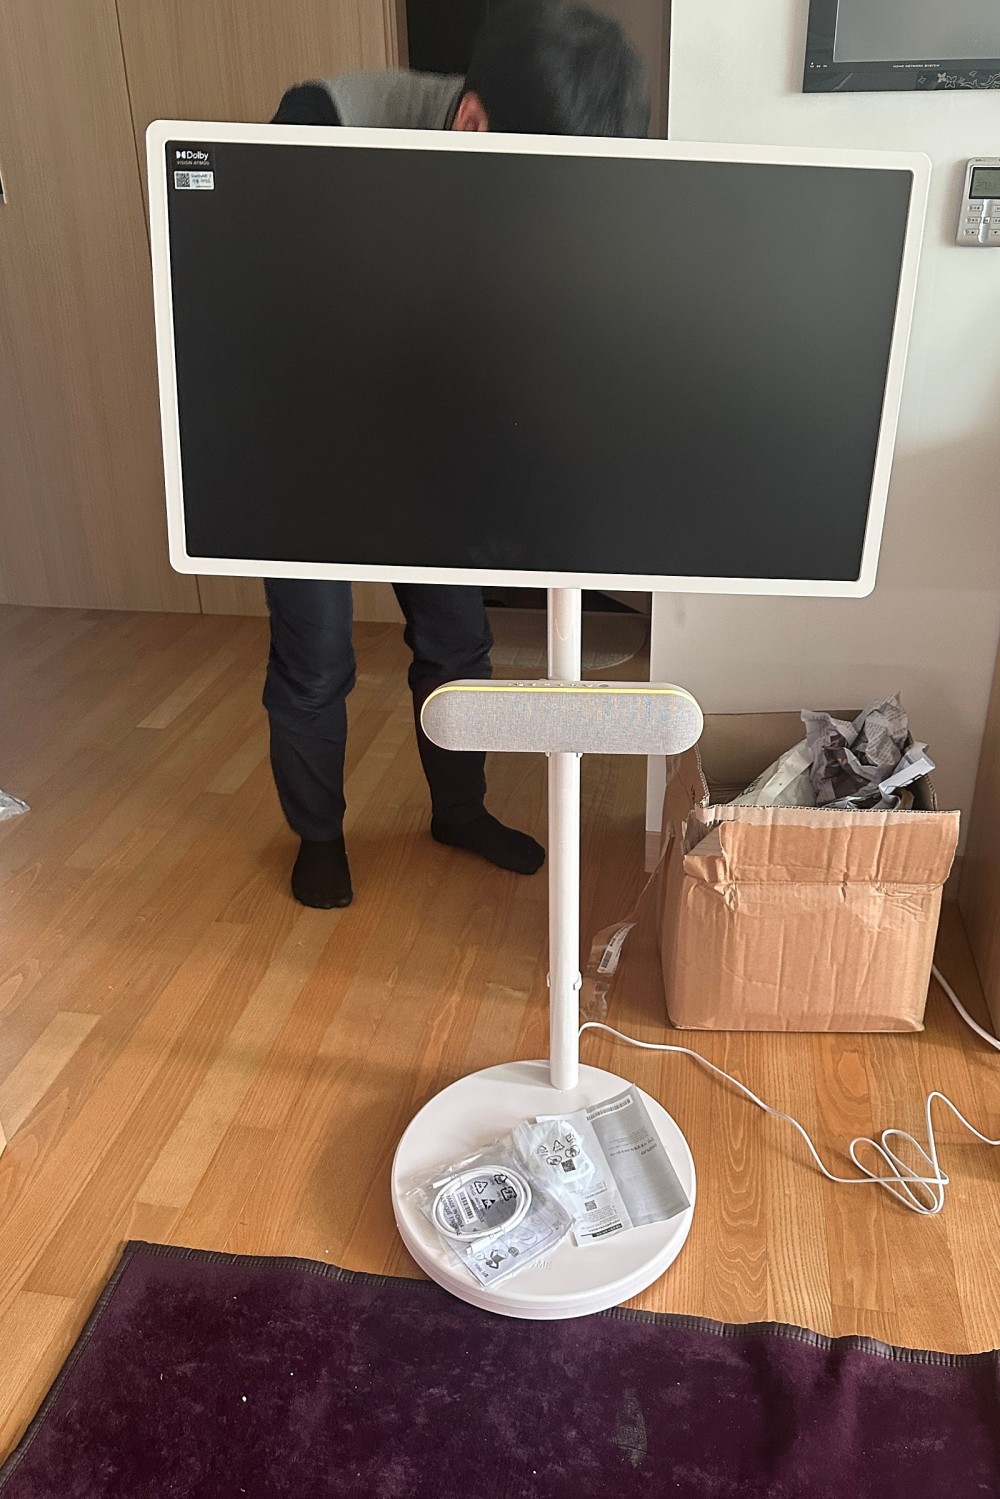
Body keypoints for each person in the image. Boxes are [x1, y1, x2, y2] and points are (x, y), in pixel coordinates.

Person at [267, 0, 650, 909]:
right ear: (472, 122)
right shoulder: (318, 131)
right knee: (315, 656)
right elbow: (285, 326)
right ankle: (319, 835)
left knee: (457, 636)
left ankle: (459, 810)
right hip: (306, 422)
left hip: (425, 424)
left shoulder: (523, 142)